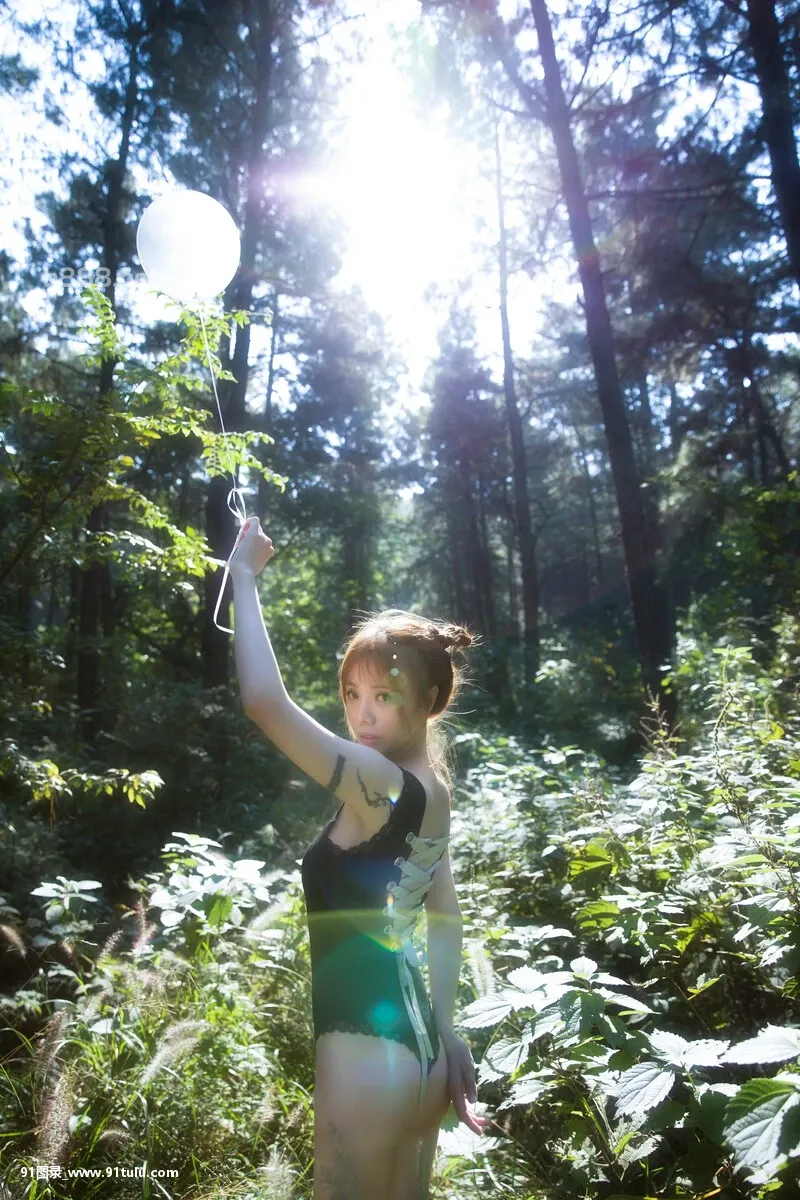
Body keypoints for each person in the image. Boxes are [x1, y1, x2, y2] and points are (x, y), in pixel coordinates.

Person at [230, 516, 490, 1200]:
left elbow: (263, 702)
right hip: (424, 1062)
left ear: (428, 702)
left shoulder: (382, 786)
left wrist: (243, 577)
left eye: (384, 697)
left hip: (361, 1061)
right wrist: (446, 1031)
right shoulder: (433, 791)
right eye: (352, 695)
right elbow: (444, 915)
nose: (362, 716)